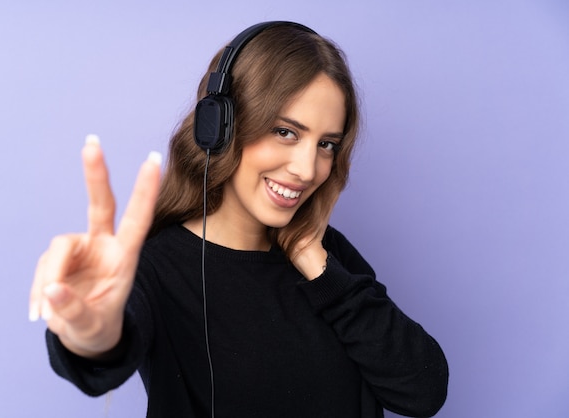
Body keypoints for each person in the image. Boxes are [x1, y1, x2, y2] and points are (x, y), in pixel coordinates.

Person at [29, 21, 448, 418]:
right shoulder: (156, 269)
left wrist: (316, 264)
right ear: (221, 127)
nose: (307, 168)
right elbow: (102, 350)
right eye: (286, 131)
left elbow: (422, 391)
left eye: (326, 144)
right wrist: (92, 338)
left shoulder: (326, 255)